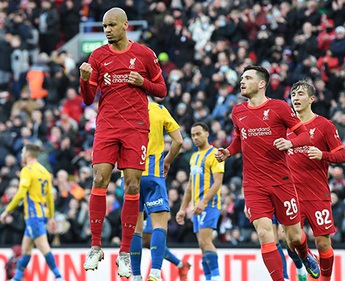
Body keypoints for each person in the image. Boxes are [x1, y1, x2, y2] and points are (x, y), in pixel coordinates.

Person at [79, 7, 167, 278]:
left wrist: (143, 82)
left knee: (132, 184)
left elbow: (161, 91)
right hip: (107, 125)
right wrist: (84, 81)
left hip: (136, 127)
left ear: (125, 25)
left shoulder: (144, 54)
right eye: (104, 26)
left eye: (111, 25)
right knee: (99, 178)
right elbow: (87, 98)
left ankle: (125, 253)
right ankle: (96, 246)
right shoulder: (97, 56)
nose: (107, 30)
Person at [214, 65, 320, 281]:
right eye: (242, 78)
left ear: (262, 84)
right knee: (264, 234)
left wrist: (289, 142)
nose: (242, 81)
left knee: (294, 236)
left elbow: (305, 135)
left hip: (281, 181)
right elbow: (240, 139)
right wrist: (228, 151)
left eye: (248, 78)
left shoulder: (279, 108)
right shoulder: (238, 111)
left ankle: (305, 253)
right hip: (254, 184)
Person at [286, 79, 345, 281]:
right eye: (294, 94)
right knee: (291, 240)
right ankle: (307, 258)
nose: (296, 97)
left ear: (311, 99)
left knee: (323, 243)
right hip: (291, 194)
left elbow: (342, 155)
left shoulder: (324, 125)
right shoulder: (285, 126)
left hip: (316, 194)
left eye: (301, 94)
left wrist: (323, 155)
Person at [129, 100, 188, 281]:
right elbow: (178, 141)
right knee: (159, 227)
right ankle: (155, 272)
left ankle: (136, 276)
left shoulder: (126, 107)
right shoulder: (158, 109)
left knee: (135, 230)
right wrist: (167, 161)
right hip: (153, 175)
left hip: (131, 175)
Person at [0, 143, 64, 281]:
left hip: (33, 215)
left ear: (27, 154)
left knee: (44, 247)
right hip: (41, 214)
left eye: (23, 152)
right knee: (26, 249)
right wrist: (51, 216)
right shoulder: (45, 172)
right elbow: (49, 198)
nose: (21, 155)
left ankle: (58, 276)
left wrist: (7, 211)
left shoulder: (27, 170)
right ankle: (16, 278)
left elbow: (21, 193)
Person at [176, 122, 224, 281]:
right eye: (193, 135)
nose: (196, 137)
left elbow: (218, 182)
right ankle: (209, 277)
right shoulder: (194, 157)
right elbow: (190, 185)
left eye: (198, 134)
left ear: (207, 133)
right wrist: (183, 208)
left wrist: (203, 202)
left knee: (205, 241)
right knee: (202, 245)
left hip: (209, 205)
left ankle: (216, 277)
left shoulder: (215, 154)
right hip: (196, 207)